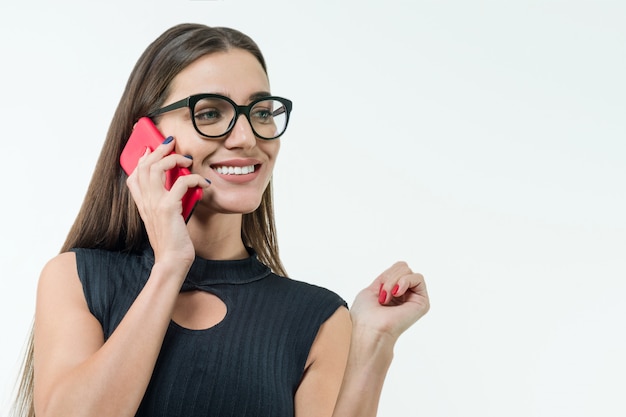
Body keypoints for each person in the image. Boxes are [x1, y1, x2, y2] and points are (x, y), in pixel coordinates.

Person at [12, 23, 429, 417]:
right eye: (210, 113)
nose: (247, 137)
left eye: (261, 112)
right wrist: (170, 265)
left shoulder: (316, 318)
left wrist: (375, 341)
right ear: (146, 139)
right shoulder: (79, 278)